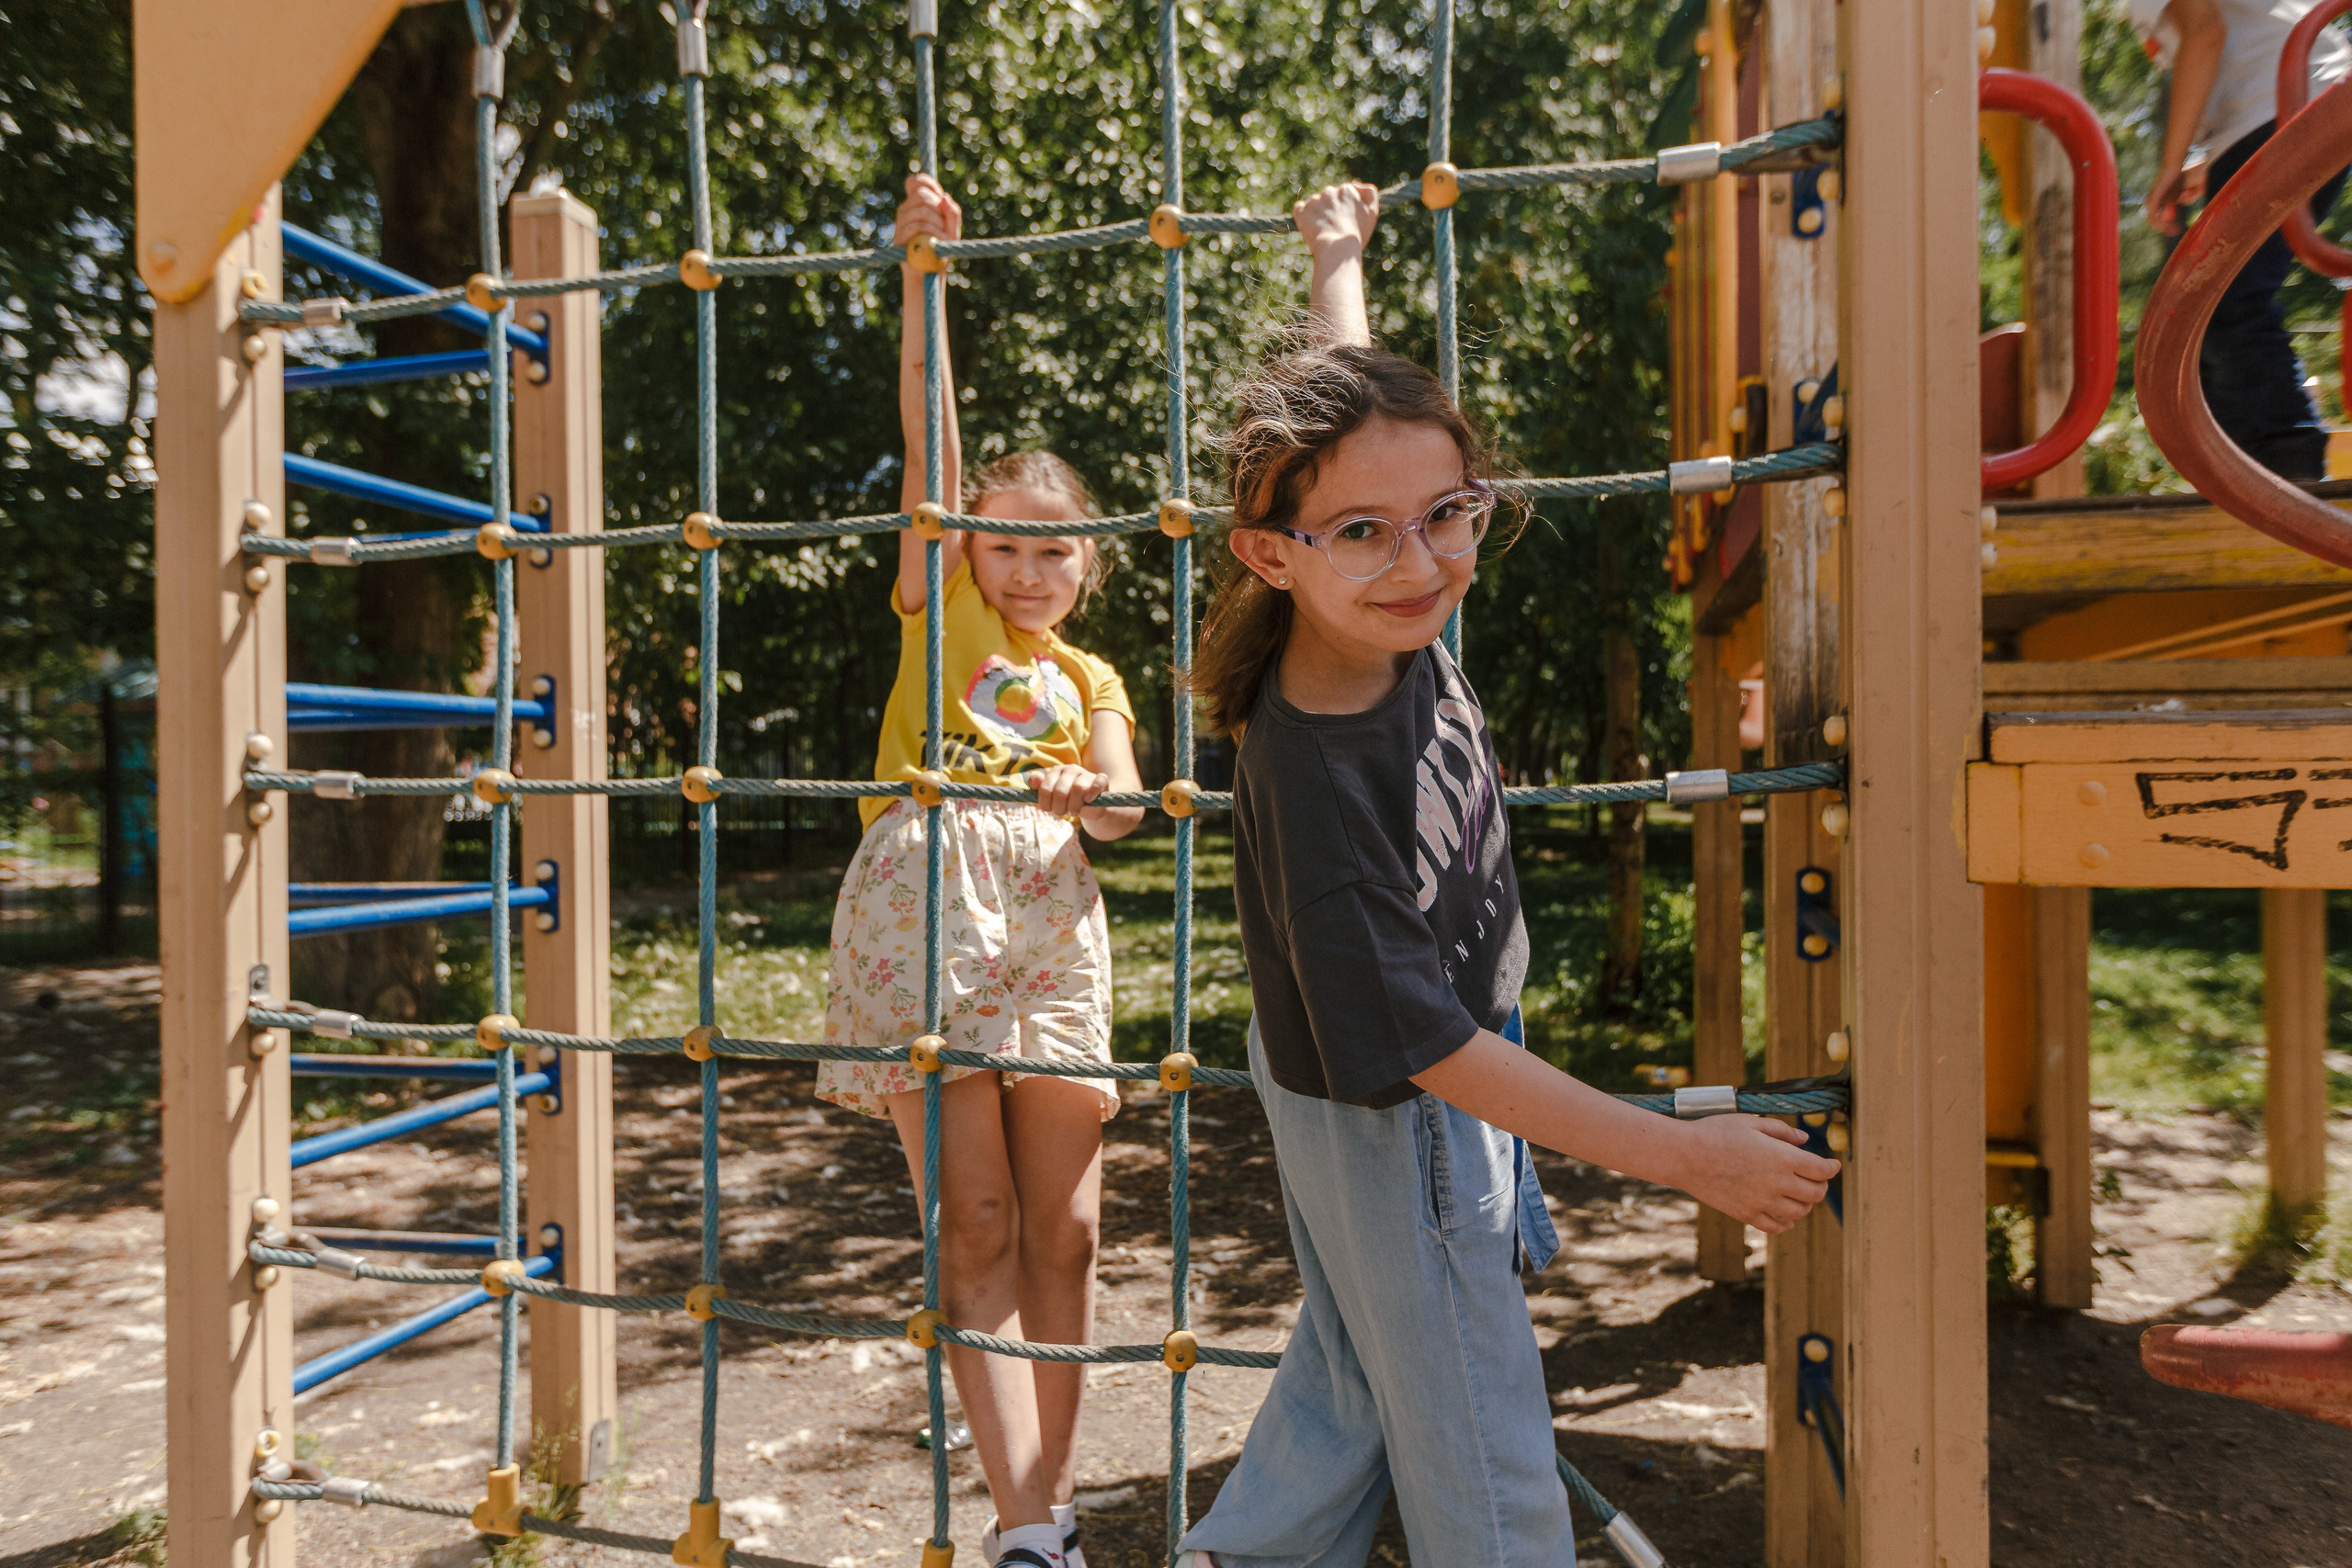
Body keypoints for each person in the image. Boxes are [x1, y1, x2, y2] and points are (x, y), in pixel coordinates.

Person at [1170, 184, 1841, 1568]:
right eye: (1367, 532)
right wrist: (1686, 1157)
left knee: (1356, 1373)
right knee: (1479, 1430)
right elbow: (1425, 1048)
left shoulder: (1383, 620)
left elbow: (1356, 420)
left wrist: (1338, 262)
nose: (1420, 561)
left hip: (1366, 1063)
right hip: (1399, 1106)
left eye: (1450, 513)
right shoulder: (1323, 776)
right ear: (1270, 554)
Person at [815, 172, 1146, 1568]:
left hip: (1052, 918)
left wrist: (1090, 792)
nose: (1024, 565)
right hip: (926, 895)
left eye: (1051, 548)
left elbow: (1121, 809)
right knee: (979, 1217)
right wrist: (923, 280)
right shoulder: (938, 602)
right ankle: (1022, 1528)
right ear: (966, 549)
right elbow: (929, 442)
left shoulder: (1092, 675)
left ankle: (1051, 1511)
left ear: (1087, 567)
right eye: (1000, 541)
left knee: (1066, 1229)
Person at [2137, 0, 2352, 479]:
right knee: (2207, 306)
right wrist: (2213, 158)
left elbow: (2205, 34)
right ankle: (2242, 471)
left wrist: (2173, 162)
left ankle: (2286, 467)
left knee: (2221, 300)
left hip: (2284, 104)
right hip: (2308, 97)